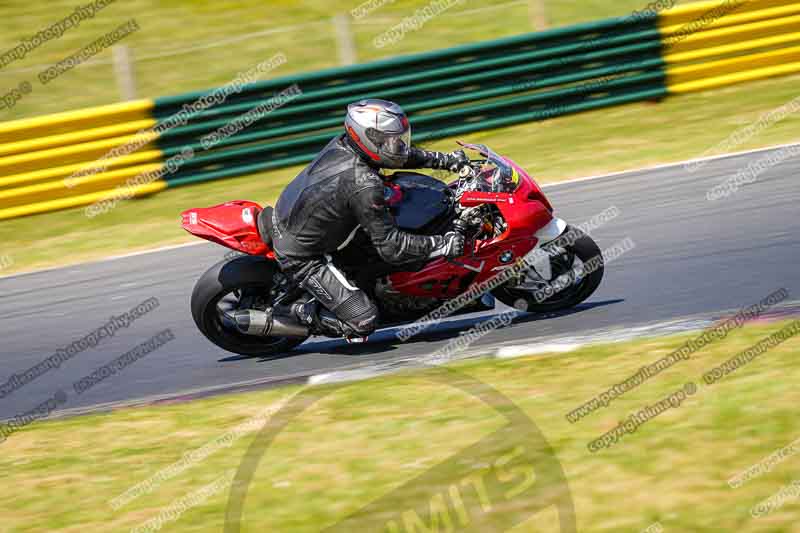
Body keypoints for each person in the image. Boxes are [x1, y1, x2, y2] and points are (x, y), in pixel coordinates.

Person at [268, 98, 469, 340]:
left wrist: (443, 160)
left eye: (398, 138)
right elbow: (392, 248)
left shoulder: (344, 143)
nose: (397, 144)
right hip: (303, 255)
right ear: (367, 138)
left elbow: (396, 154)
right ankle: (297, 311)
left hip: (300, 218)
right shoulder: (363, 184)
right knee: (363, 321)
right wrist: (443, 244)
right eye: (389, 139)